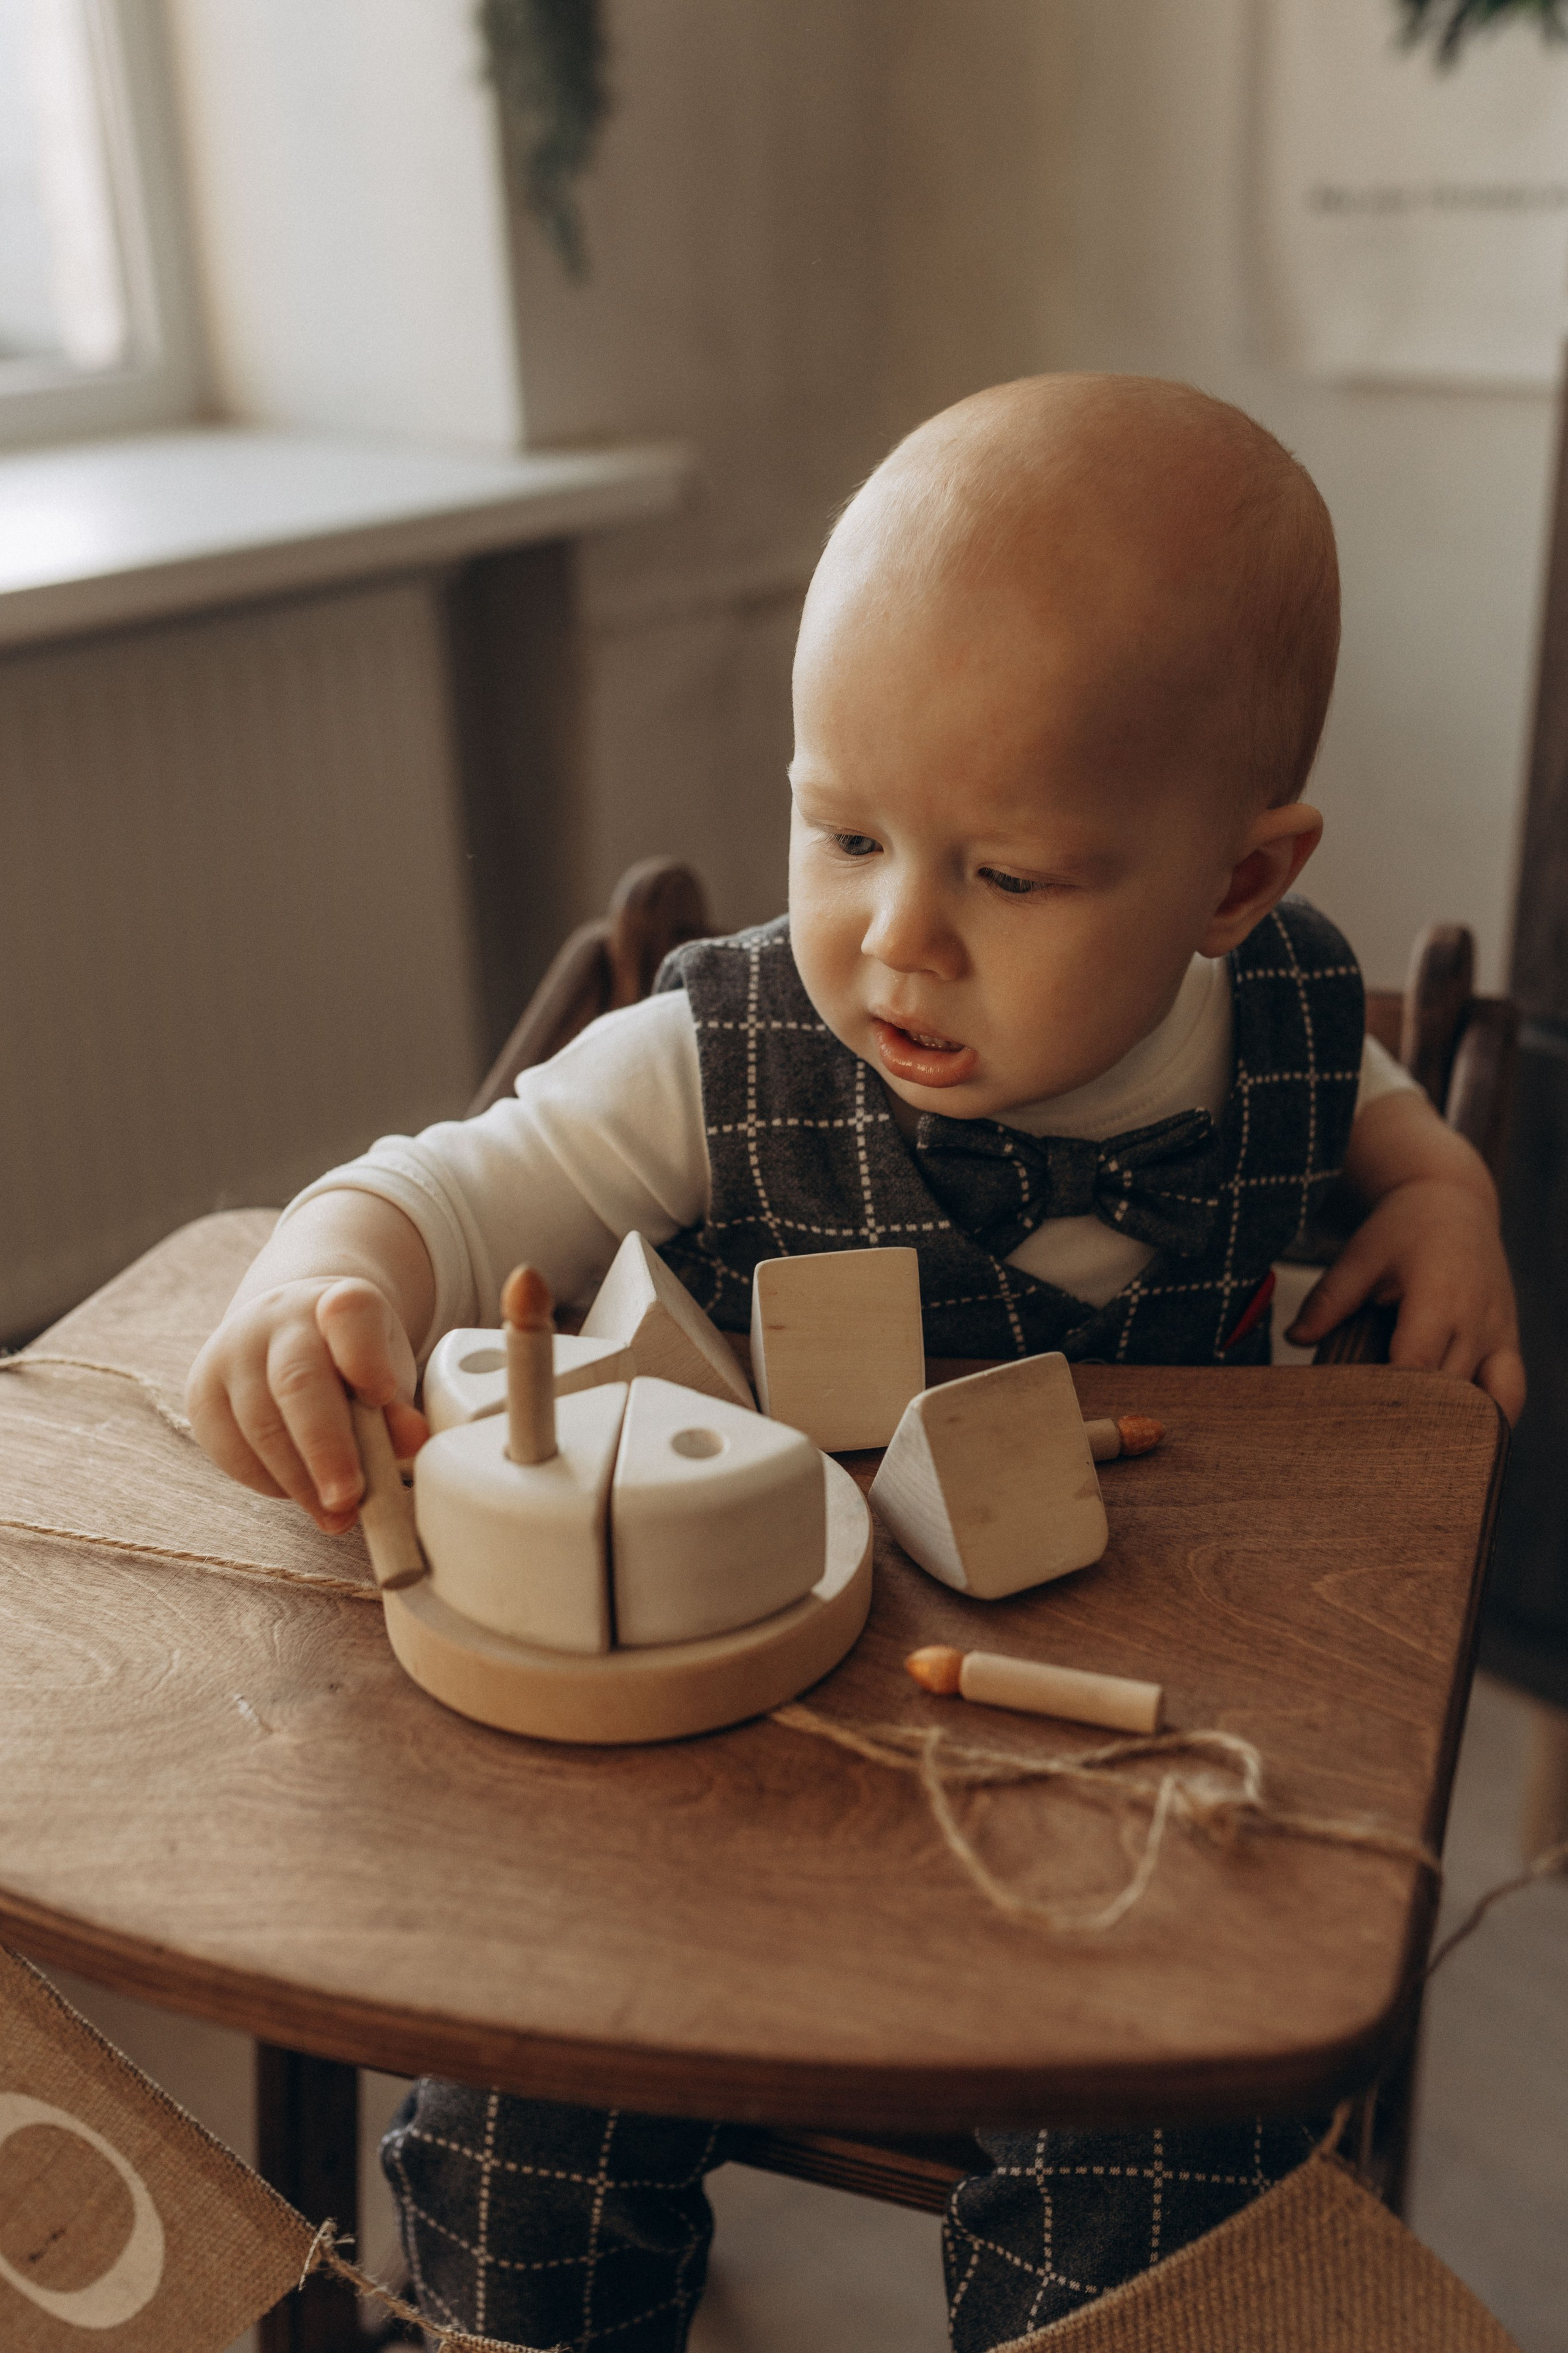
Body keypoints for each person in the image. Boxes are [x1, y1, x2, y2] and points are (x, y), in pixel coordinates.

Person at [187, 376, 1523, 2352]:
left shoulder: (1287, 1035)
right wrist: (324, 1272)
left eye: (1009, 875)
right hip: (716, 1790)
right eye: (842, 829)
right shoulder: (714, 1063)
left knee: (1167, 2188)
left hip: (1108, 1798)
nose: (897, 939)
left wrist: (1442, 1192)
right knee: (514, 2134)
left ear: (1235, 887)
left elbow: (1385, 1118)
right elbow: (461, 1183)